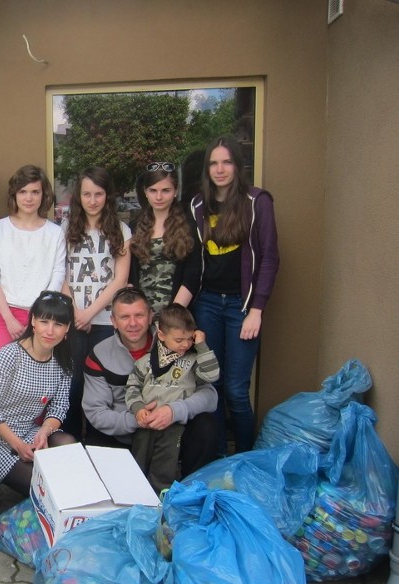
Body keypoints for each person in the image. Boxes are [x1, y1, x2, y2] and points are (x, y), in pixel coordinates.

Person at [189, 136, 280, 454]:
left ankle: (245, 459)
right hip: (208, 305)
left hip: (242, 307)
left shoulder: (257, 202)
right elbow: (193, 259)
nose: (220, 169)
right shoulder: (198, 204)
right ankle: (218, 460)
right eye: (214, 163)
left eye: (227, 162)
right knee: (210, 386)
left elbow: (269, 257)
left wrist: (257, 309)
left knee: (237, 391)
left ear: (238, 166)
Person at [82, 287, 218, 477]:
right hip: (125, 432)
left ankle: (189, 488)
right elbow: (96, 412)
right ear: (113, 321)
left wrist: (173, 411)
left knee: (207, 425)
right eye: (124, 317)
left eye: (139, 315)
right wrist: (139, 419)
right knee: (95, 439)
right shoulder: (100, 354)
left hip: (173, 429)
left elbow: (210, 396)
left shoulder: (178, 343)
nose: (133, 323)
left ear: (150, 316)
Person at [0, 290, 76, 507]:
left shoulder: (64, 362)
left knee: (67, 444)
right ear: (33, 322)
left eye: (58, 324)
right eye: (44, 321)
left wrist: (45, 432)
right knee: (38, 486)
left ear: (67, 329)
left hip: (27, 429)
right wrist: (18, 445)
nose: (50, 330)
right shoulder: (9, 355)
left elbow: (60, 405)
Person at [60, 166, 131, 438]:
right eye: (86, 194)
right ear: (79, 196)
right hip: (74, 319)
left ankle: (101, 445)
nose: (92, 200)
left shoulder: (121, 231)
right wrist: (77, 312)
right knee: (73, 385)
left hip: (104, 321)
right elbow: (62, 275)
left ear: (107, 196)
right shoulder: (67, 228)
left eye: (98, 194)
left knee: (103, 387)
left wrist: (89, 313)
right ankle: (71, 445)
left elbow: (120, 280)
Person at [126, 303, 220, 493]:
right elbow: (132, 387)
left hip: (174, 424)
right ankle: (135, 491)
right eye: (179, 340)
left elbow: (212, 375)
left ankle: (162, 492)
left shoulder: (193, 360)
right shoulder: (145, 362)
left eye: (189, 339)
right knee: (139, 456)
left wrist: (201, 346)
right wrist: (138, 409)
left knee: (166, 460)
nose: (185, 344)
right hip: (147, 421)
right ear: (161, 335)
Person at [0, 165, 66, 353]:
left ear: (43, 194)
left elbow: (58, 274)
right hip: (7, 314)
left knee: (39, 373)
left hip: (44, 316)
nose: (29, 198)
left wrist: (40, 316)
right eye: (23, 192)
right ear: (14, 194)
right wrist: (8, 318)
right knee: (4, 372)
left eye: (35, 192)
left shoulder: (55, 233)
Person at [130, 161, 201, 315]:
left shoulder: (189, 226)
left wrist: (173, 315)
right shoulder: (134, 227)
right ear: (145, 192)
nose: (159, 197)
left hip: (176, 312)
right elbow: (131, 276)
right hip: (141, 314)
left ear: (176, 191)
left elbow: (192, 275)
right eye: (153, 190)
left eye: (166, 190)